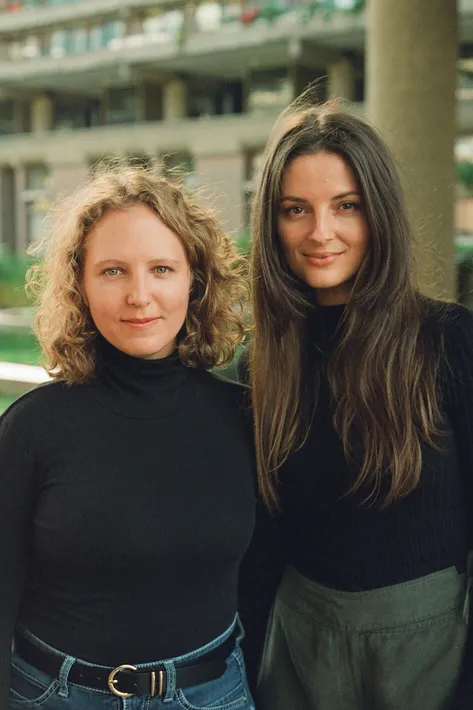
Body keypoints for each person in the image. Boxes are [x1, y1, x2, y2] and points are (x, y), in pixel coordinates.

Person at [238, 99, 473, 710]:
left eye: (347, 206)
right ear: (272, 223)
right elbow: (259, 552)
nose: (321, 232)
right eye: (296, 210)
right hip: (298, 653)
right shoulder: (257, 367)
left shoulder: (452, 341)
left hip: (435, 655)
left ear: (380, 213)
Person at [0, 162, 257, 710]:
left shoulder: (245, 417)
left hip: (214, 694)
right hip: (54, 695)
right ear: (80, 285)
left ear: (196, 278)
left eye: (162, 268)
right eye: (113, 271)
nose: (139, 295)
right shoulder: (30, 428)